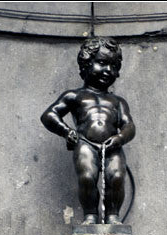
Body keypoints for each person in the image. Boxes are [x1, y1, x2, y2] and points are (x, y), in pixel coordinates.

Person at [41, 37, 136, 225]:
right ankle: (90, 215)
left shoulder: (117, 102)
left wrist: (119, 138)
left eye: (113, 65)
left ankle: (112, 217)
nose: (108, 71)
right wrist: (67, 132)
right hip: (86, 144)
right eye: (102, 63)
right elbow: (49, 115)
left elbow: (129, 126)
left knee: (116, 177)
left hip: (113, 146)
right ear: (86, 63)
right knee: (86, 177)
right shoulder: (75, 96)